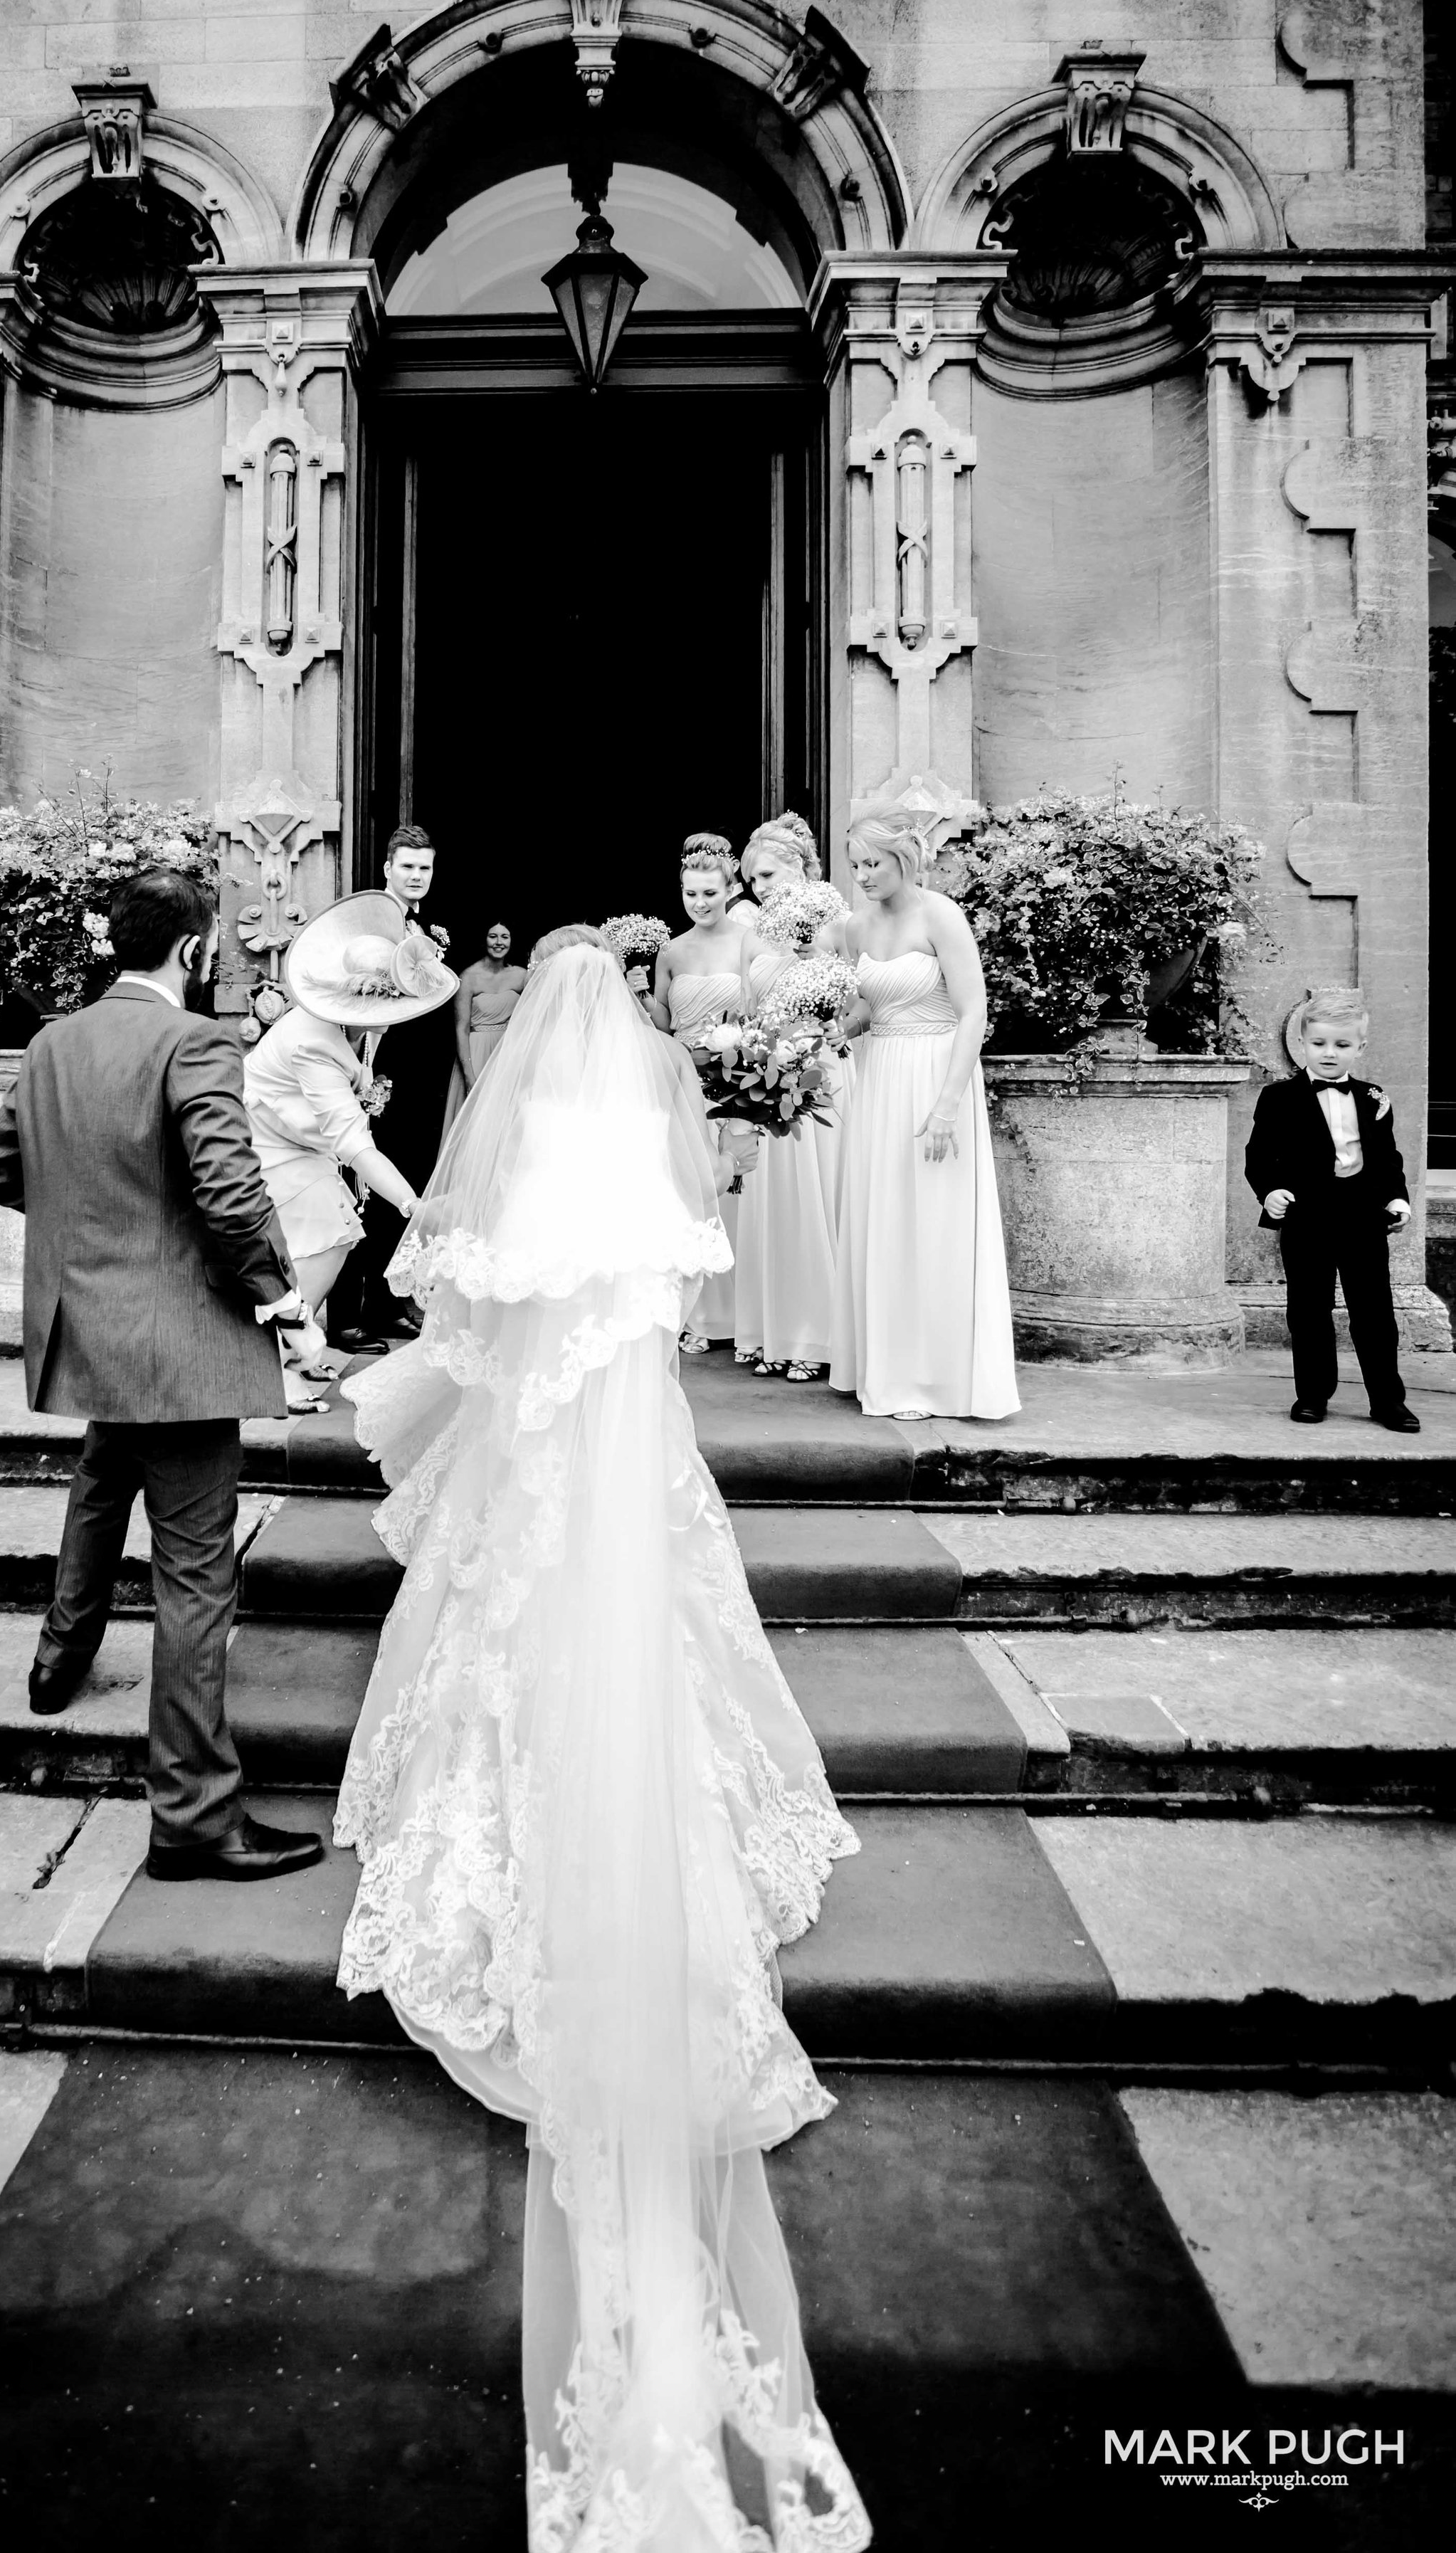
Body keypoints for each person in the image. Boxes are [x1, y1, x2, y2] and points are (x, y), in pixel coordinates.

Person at [333, 935, 869, 2552]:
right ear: (625, 1042)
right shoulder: (648, 1155)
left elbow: (483, 1332)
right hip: (633, 1504)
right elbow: (666, 1323)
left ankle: (499, 1893)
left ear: (526, 1062)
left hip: (542, 1501)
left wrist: (425, 1392)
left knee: (501, 1687)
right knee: (658, 1686)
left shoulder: (523, 1169)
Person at [0, 868, 329, 1884]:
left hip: (90, 1331)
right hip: (174, 1345)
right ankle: (194, 1817)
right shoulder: (196, 1040)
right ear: (192, 950)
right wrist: (287, 1304)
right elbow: (226, 1190)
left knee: (100, 1482)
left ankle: (59, 1657)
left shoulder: (52, 1041)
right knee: (196, 1577)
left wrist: (91, 1238)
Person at [828, 811, 1020, 1421]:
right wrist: (826, 1027)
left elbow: (973, 1011)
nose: (862, 876)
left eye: (872, 864)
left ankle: (931, 1379)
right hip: (878, 1077)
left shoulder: (940, 914)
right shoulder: (855, 927)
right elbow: (866, 1006)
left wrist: (947, 1104)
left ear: (903, 860)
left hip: (936, 1073)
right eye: (854, 865)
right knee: (884, 1218)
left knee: (932, 1221)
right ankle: (883, 1367)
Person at [243, 893, 458, 1408]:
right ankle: (286, 1370)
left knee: (322, 1244)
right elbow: (353, 1142)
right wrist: (414, 1206)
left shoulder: (348, 1030)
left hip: (301, 1147)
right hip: (272, 1148)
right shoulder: (314, 1040)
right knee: (329, 1240)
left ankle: (287, 1356)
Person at [1245, 985, 1418, 1431]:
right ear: (1302, 1043)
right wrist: (1270, 1191)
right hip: (1307, 1217)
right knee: (1308, 1310)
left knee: (1374, 1311)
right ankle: (1313, 1394)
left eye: (1341, 1045)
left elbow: (1387, 1158)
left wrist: (1396, 1197)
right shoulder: (1278, 1098)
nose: (1328, 1053)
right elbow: (1260, 1157)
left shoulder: (1374, 1097)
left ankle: (1387, 1400)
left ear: (1360, 1047)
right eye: (1319, 1043)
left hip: (1361, 1215)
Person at [329, 824, 452, 1350]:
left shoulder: (433, 926)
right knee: (364, 1194)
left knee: (407, 1195)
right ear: (387, 869)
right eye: (408, 867)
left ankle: (384, 1305)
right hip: (378, 1074)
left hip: (422, 1078)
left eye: (425, 867)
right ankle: (345, 1318)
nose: (417, 876)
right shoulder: (367, 926)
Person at [733, 818, 844, 1380]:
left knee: (811, 1205)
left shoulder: (834, 923)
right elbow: (750, 1009)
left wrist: (808, 950)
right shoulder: (752, 935)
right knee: (772, 1207)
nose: (760, 887)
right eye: (752, 880)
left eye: (768, 874)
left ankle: (815, 1335)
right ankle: (770, 1328)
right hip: (769, 1077)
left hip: (819, 1075)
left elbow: (852, 999)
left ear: (801, 867)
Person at [652, 836, 760, 1352]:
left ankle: (745, 1318)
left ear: (730, 889)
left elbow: (764, 1016)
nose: (699, 903)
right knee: (689, 1195)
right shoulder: (671, 950)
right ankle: (699, 1316)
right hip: (683, 1086)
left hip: (736, 1084)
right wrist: (637, 996)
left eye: (710, 894)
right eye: (690, 894)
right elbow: (664, 1024)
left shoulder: (748, 943)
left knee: (740, 1198)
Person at [439, 918, 527, 1139]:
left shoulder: (522, 975)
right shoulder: (469, 977)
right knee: (474, 1126)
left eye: (504, 937)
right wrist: (469, 1075)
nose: (499, 942)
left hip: (508, 1053)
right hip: (476, 1054)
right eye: (493, 936)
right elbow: (462, 1029)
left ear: (512, 941)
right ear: (484, 939)